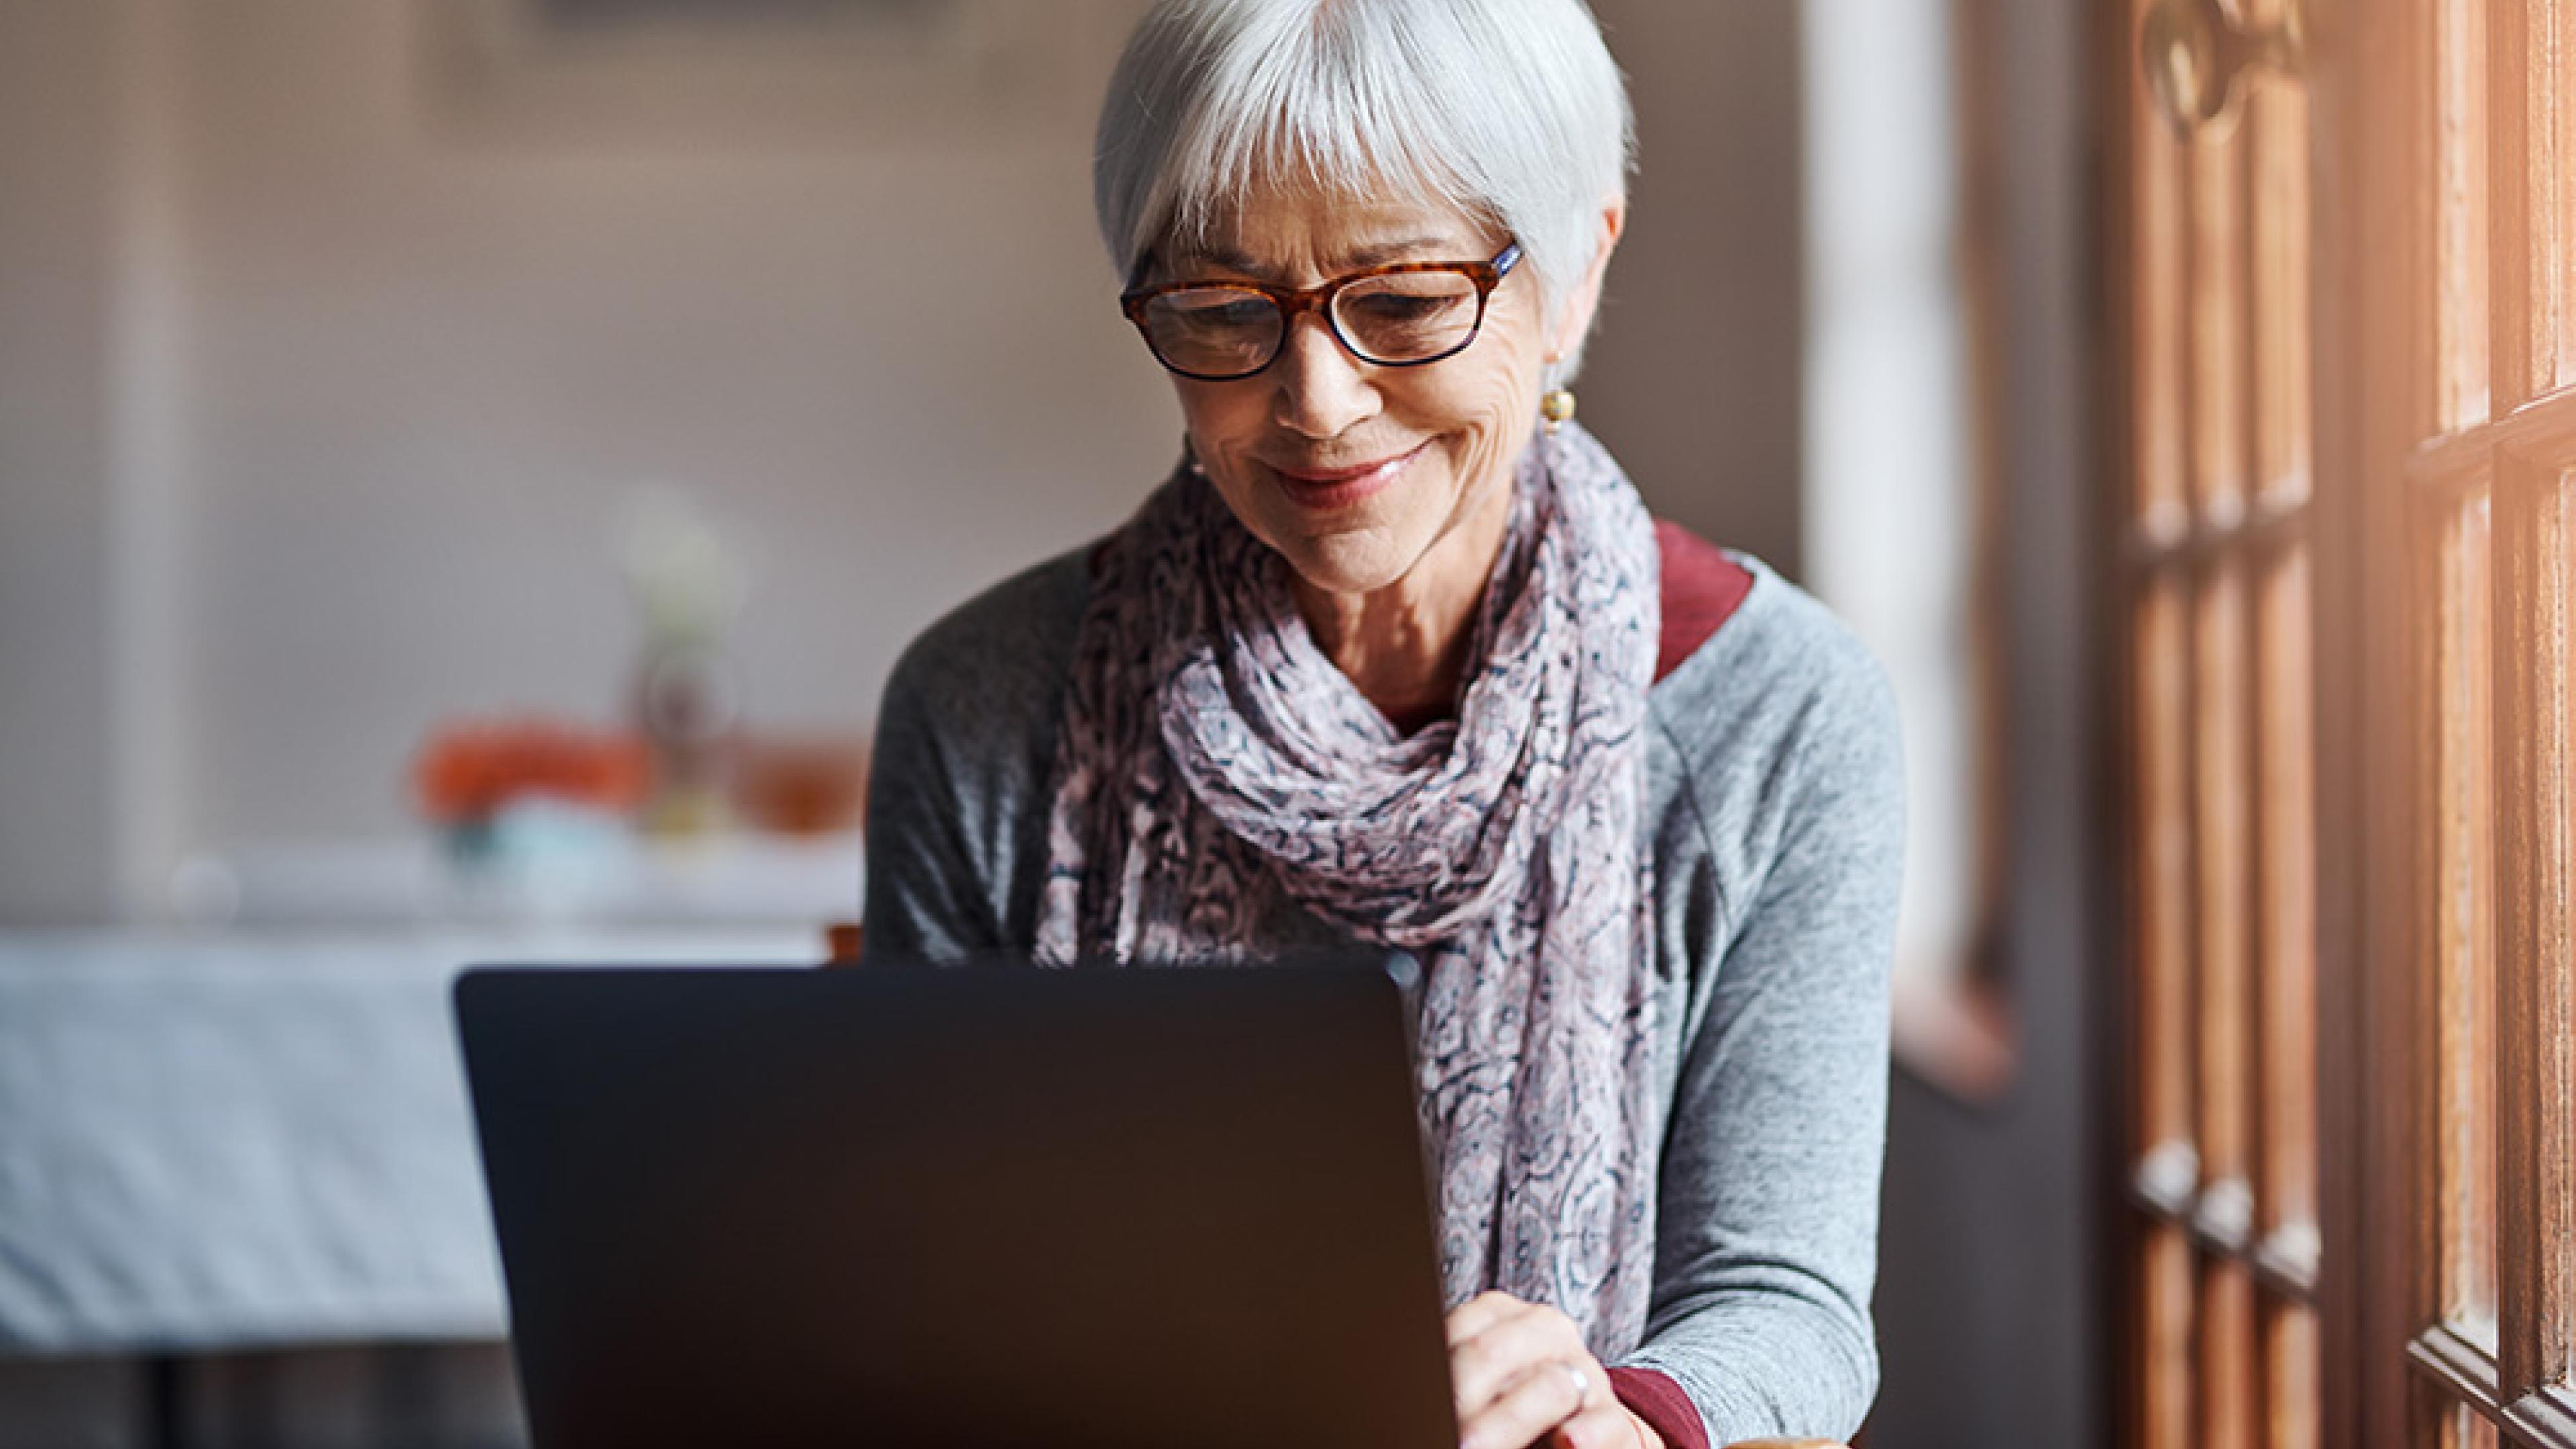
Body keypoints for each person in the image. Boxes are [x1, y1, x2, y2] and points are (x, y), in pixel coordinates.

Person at [862, 2, 1903, 1445]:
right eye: (1224, 310)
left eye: (1406, 303)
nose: (1317, 402)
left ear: (1577, 276)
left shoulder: (1777, 711)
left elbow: (1782, 1298)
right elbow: (930, 1278)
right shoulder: (984, 707)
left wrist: (1624, 1420)